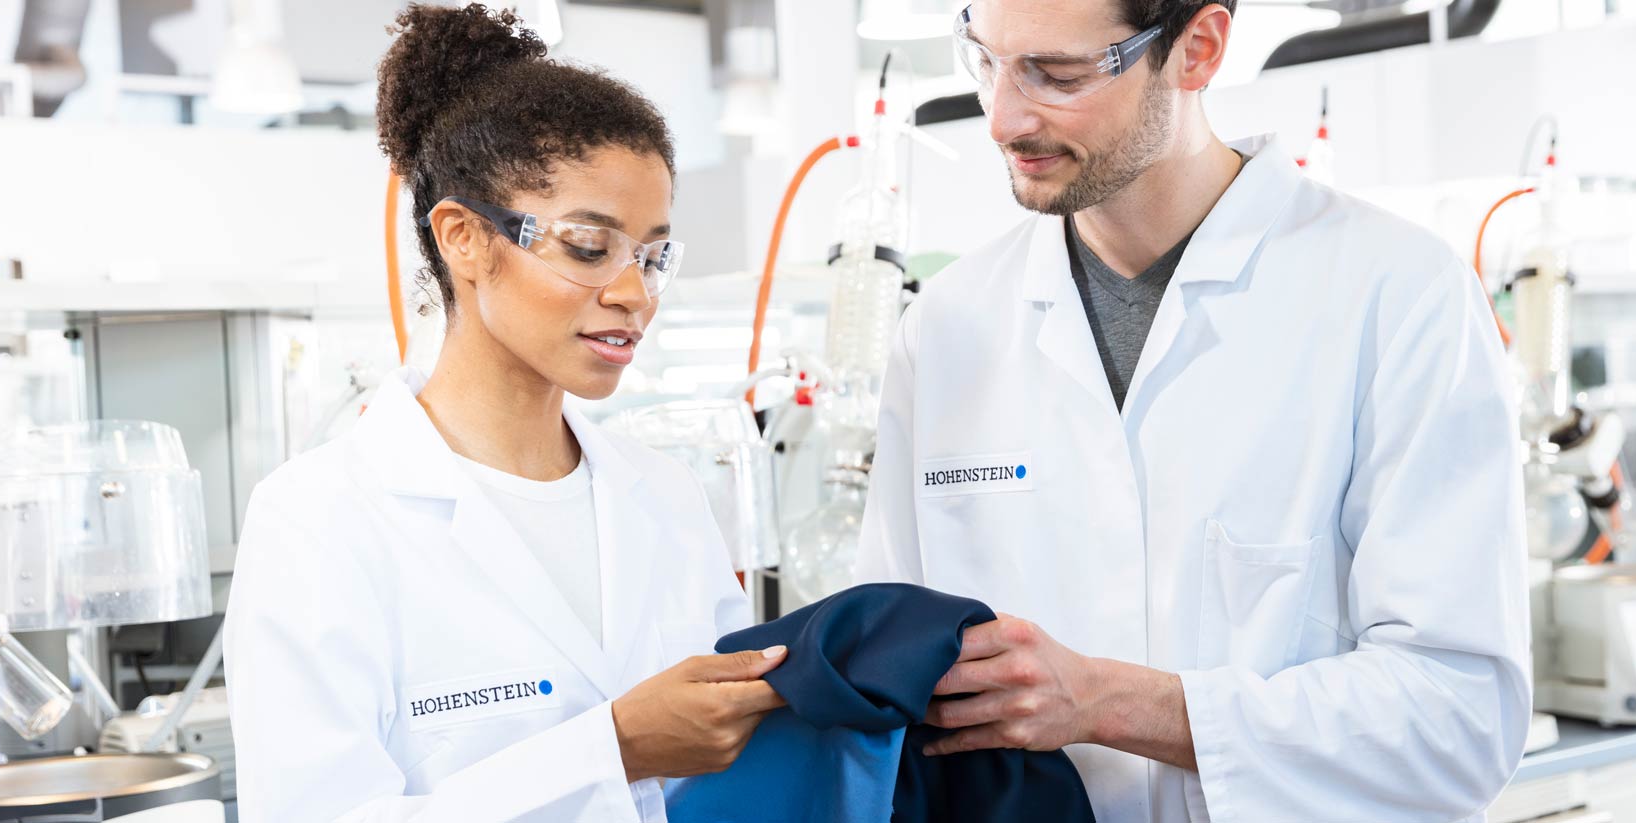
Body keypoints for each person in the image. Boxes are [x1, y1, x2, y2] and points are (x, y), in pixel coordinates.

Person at [854, 1, 1531, 821]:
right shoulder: (947, 328)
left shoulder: (1398, 296)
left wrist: (1109, 702)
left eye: (1057, 74)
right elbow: (884, 674)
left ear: (1198, 49)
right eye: (986, 62)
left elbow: (1457, 720)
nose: (1001, 117)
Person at [223, 6, 786, 820]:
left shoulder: (664, 497)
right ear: (463, 238)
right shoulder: (318, 522)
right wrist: (612, 748)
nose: (633, 292)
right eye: (589, 248)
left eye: (653, 254)